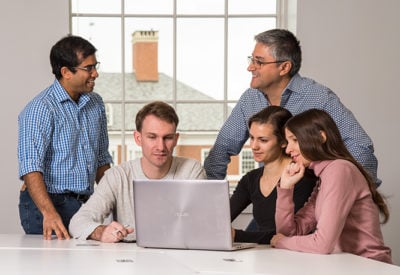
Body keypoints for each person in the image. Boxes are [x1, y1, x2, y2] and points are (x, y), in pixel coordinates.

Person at [204, 28, 380, 187]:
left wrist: (334, 190)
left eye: (259, 62)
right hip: (274, 199)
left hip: (313, 200)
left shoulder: (319, 97)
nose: (250, 67)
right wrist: (212, 196)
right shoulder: (250, 100)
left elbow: (360, 147)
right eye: (252, 60)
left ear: (284, 67)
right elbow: (221, 149)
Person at [18, 35, 113, 240]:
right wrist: (49, 213)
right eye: (88, 68)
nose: (95, 73)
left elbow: (101, 160)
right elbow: (30, 168)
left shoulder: (95, 104)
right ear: (66, 72)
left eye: (95, 66)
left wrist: (116, 204)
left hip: (86, 205)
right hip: (47, 205)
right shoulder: (40, 109)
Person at [69, 101, 206, 243]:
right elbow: (77, 222)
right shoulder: (118, 176)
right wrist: (101, 231)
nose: (161, 146)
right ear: (138, 138)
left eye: (168, 138)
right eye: (152, 137)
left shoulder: (192, 171)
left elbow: (206, 223)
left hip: (181, 255)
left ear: (176, 139)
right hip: (129, 258)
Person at [270, 109, 392, 264]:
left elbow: (322, 245)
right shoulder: (324, 176)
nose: (288, 149)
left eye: (294, 140)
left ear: (321, 137)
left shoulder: (339, 170)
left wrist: (281, 242)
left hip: (370, 267)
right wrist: (286, 189)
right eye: (288, 142)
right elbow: (289, 233)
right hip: (345, 266)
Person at [230, 106, 316, 244]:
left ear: (283, 142)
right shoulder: (250, 179)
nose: (254, 146)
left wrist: (237, 236)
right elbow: (222, 217)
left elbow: (288, 233)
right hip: (264, 255)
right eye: (252, 138)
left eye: (263, 140)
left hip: (295, 256)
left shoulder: (303, 176)